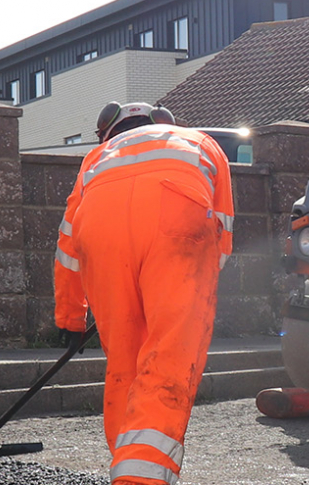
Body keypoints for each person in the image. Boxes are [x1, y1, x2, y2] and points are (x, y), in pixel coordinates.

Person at [54, 102, 234, 485]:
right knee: (169, 356)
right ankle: (141, 479)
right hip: (178, 220)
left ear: (108, 132)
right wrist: (197, 293)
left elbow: (68, 248)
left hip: (102, 233)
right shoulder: (199, 142)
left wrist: (70, 318)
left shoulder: (97, 157)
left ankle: (128, 466)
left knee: (125, 363)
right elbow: (222, 231)